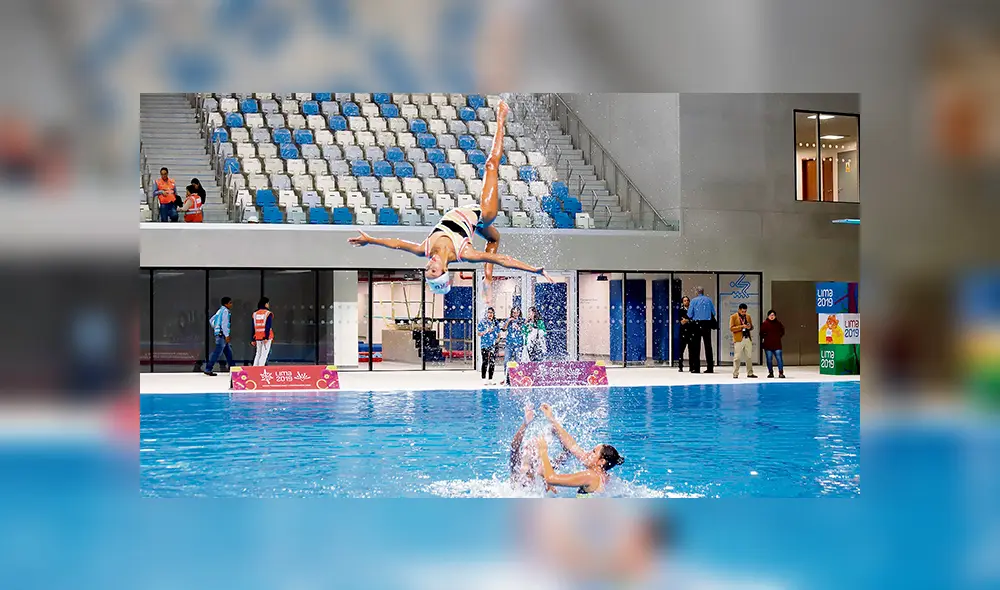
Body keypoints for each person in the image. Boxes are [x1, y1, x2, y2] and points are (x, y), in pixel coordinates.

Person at [348, 99, 553, 295]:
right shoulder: (465, 253)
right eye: (434, 270)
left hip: (462, 217)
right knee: (490, 169)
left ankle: (487, 278)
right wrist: (533, 270)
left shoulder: (425, 249)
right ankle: (501, 117)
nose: (430, 264)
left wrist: (371, 240)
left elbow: (396, 243)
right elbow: (503, 259)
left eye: (427, 268)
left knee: (494, 238)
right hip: (478, 217)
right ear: (445, 271)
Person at [535, 403, 623, 496]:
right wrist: (552, 419)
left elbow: (551, 479)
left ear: (601, 461)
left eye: (593, 452)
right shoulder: (603, 476)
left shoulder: (590, 476)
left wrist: (543, 451)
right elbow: (572, 446)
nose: (588, 453)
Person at [686, 287, 716, 373]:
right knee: (708, 346)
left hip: (696, 324)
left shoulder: (694, 301)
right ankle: (710, 367)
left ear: (696, 292)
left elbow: (689, 314)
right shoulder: (708, 300)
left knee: (696, 346)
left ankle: (696, 368)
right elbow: (713, 312)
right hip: (707, 324)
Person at [205, 297, 234, 376]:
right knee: (217, 352)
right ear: (226, 304)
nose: (231, 304)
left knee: (228, 352)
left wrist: (216, 327)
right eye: (230, 303)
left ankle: (233, 368)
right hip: (222, 335)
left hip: (219, 333)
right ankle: (208, 368)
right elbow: (224, 324)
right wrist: (227, 335)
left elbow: (211, 320)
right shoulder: (225, 311)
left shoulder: (219, 311)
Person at [729, 303, 757, 379]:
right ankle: (735, 373)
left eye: (745, 311)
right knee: (737, 357)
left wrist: (749, 326)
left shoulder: (748, 316)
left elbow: (751, 327)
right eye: (742, 311)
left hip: (747, 338)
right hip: (739, 339)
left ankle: (750, 373)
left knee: (749, 357)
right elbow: (731, 328)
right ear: (739, 310)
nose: (744, 313)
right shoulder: (733, 317)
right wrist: (742, 326)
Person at [760, 309, 786, 378]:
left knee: (779, 358)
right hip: (768, 345)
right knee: (769, 359)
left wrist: (778, 336)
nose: (772, 317)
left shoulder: (778, 323)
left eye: (773, 315)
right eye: (770, 315)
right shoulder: (765, 324)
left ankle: (781, 373)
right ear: (768, 316)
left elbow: (782, 331)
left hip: (777, 344)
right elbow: (761, 333)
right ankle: (770, 372)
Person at [503, 307, 526, 383]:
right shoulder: (509, 320)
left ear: (519, 313)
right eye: (513, 313)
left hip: (518, 344)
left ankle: (517, 378)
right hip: (509, 344)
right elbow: (504, 328)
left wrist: (519, 328)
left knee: (518, 362)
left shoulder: (522, 321)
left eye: (516, 312)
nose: (515, 314)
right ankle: (507, 378)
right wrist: (509, 321)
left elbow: (525, 330)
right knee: (506, 361)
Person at [478, 307, 501, 383]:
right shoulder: (483, 322)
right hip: (484, 344)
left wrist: (497, 340)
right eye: (489, 312)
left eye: (491, 312)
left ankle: (490, 379)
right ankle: (483, 378)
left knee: (492, 362)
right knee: (485, 361)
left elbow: (498, 334)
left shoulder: (496, 323)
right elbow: (479, 333)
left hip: (493, 344)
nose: (490, 314)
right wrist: (486, 331)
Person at [251, 297, 274, 367]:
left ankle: (254, 369)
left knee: (258, 354)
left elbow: (253, 327)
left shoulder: (255, 314)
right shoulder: (268, 313)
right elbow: (268, 326)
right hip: (266, 337)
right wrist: (266, 337)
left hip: (257, 336)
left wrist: (253, 339)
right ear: (266, 304)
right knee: (264, 355)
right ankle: (260, 371)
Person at [677, 296, 694, 372]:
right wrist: (687, 320)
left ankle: (691, 366)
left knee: (691, 350)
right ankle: (680, 366)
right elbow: (681, 321)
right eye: (684, 301)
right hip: (683, 332)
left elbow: (693, 320)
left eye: (687, 300)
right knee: (681, 350)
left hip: (691, 332)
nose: (686, 302)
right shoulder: (681, 310)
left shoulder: (692, 310)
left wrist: (687, 320)